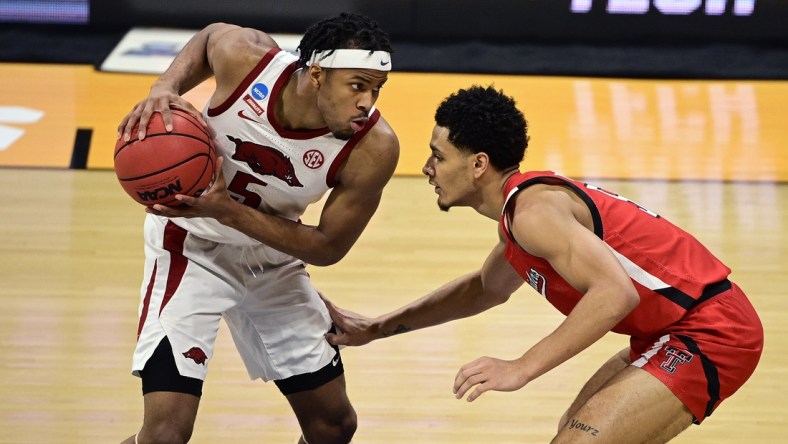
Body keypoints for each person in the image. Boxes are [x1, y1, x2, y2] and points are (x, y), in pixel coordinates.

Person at [323, 85, 763, 443]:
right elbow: (482, 290)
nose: (427, 168)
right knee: (569, 436)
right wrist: (378, 328)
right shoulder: (519, 217)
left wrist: (522, 367)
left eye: (438, 155)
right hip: (667, 330)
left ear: (478, 165)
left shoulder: (533, 211)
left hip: (713, 330)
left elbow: (615, 293)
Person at [116, 12, 398, 444]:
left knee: (334, 427)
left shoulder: (373, 147)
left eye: (376, 89)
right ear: (317, 74)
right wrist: (164, 87)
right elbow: (210, 36)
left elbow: (326, 248)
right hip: (190, 248)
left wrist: (228, 210)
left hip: (272, 262)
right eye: (357, 85)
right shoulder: (247, 60)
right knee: (164, 435)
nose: (367, 102)